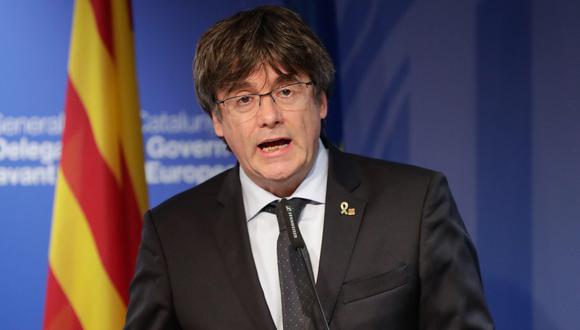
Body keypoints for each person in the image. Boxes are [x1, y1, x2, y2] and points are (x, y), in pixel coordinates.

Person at [125, 5, 494, 330]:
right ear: (217, 120)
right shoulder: (173, 235)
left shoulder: (414, 205)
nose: (269, 116)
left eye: (286, 91)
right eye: (243, 99)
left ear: (320, 100)